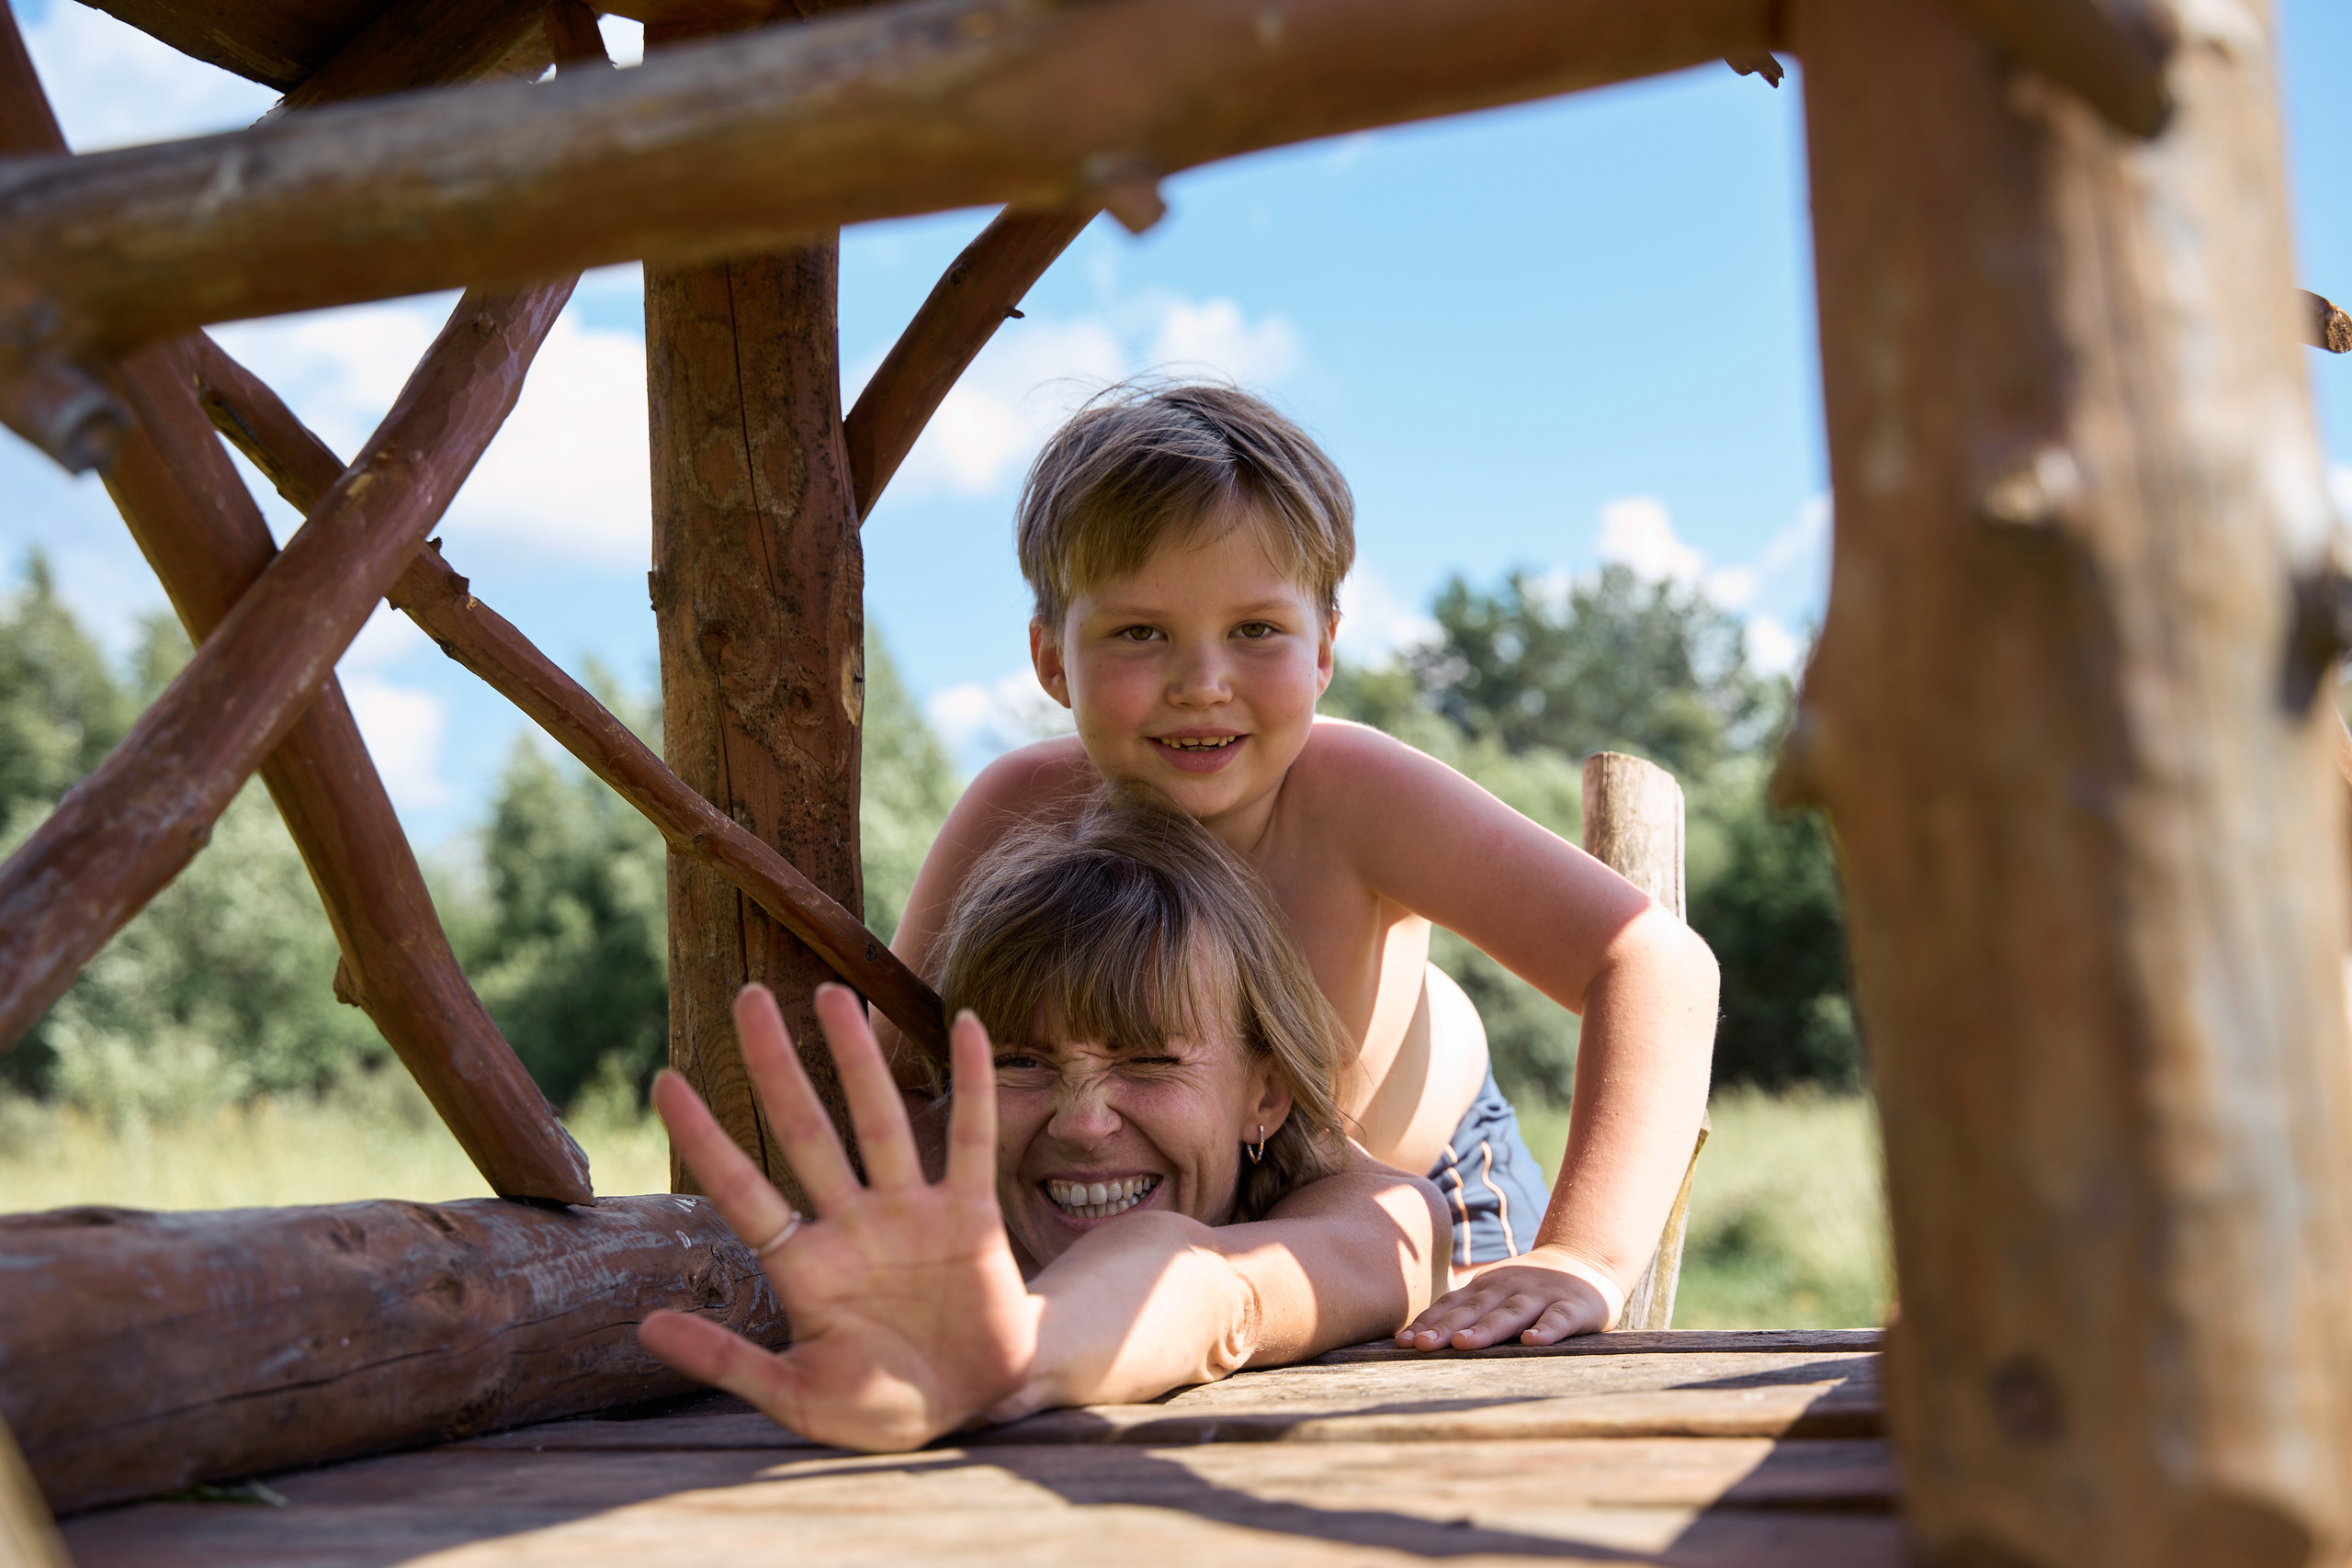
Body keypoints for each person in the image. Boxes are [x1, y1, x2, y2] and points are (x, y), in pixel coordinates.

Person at [883, 383, 1719, 1350]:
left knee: (1470, 1388)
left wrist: (1582, 1254)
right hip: (1131, 1189)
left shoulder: (1358, 795)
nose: (1202, 684)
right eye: (1140, 632)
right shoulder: (1020, 807)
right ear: (1050, 658)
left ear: (1323, 648)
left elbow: (1652, 963)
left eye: (1255, 631)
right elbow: (896, 1072)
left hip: (1427, 1195)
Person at [639, 791, 1450, 1452]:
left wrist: (1016, 1352)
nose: (1083, 1122)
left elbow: (1206, 1285)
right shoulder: (926, 1180)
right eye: (1021, 1060)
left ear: (1265, 1096)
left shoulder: (1370, 1213)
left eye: (1149, 1060)